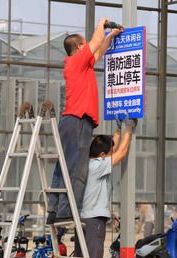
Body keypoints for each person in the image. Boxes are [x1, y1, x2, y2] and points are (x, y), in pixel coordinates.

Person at [47, 18, 124, 224]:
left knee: (63, 165)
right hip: (79, 120)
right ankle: (67, 210)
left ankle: (54, 208)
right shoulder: (75, 61)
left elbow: (99, 50)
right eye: (85, 45)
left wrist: (111, 35)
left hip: (71, 121)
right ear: (80, 47)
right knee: (77, 167)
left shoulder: (80, 66)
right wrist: (102, 24)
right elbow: (96, 41)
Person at [76, 117, 137, 258]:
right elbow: (121, 153)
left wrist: (118, 130)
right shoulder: (97, 166)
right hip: (94, 221)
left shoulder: (87, 163)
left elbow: (113, 149)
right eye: (109, 153)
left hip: (83, 219)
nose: (112, 153)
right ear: (102, 156)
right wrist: (129, 129)